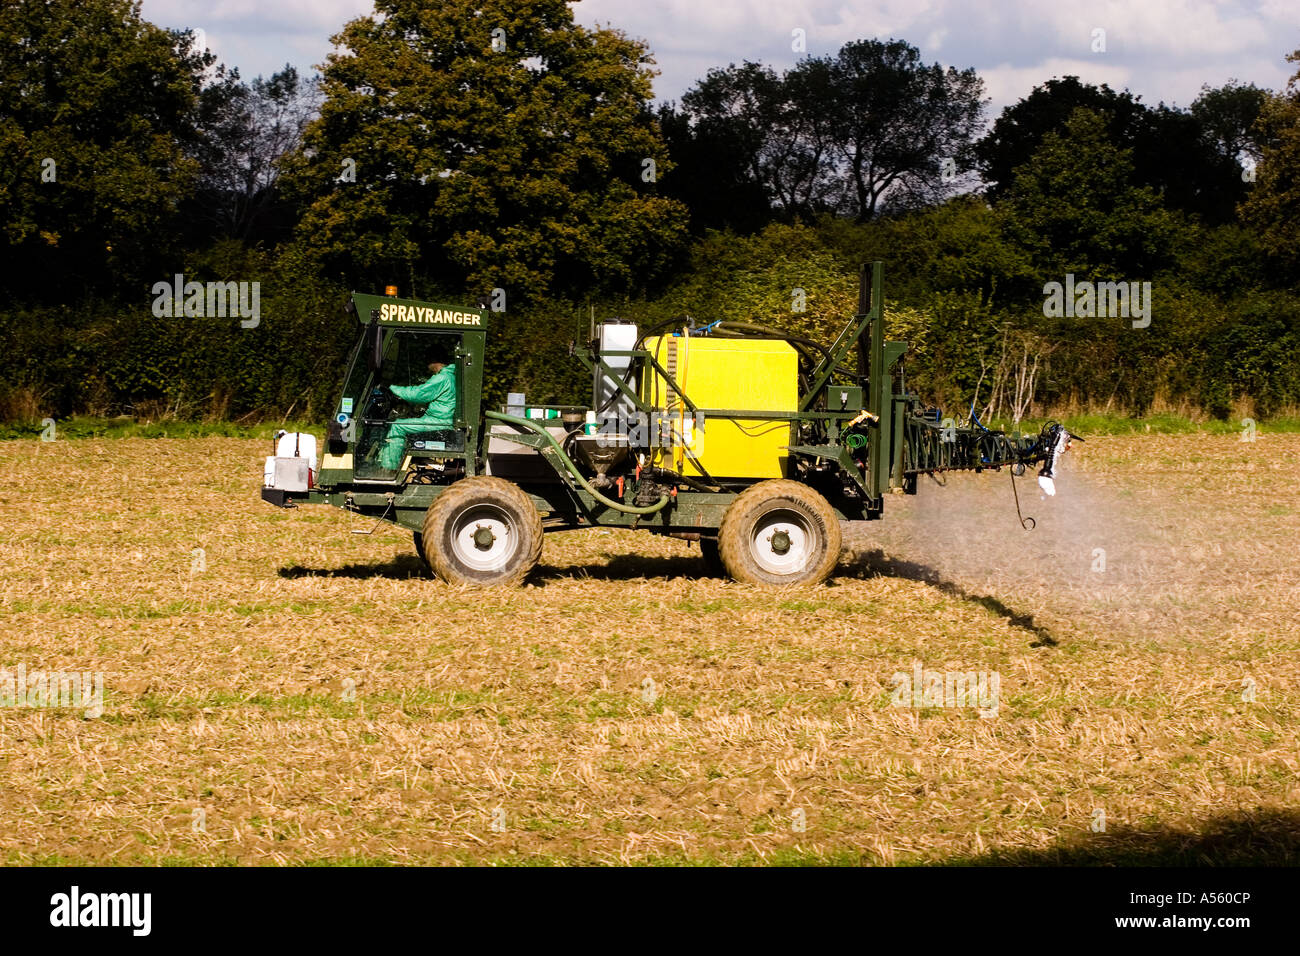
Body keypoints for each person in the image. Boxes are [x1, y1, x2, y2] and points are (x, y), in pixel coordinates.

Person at [379, 348, 457, 470]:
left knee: (396, 425)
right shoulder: (450, 376)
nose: (427, 366)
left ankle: (388, 469)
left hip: (438, 421)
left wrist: (392, 388)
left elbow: (418, 394)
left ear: (433, 361)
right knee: (406, 420)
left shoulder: (442, 378)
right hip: (441, 419)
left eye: (427, 362)